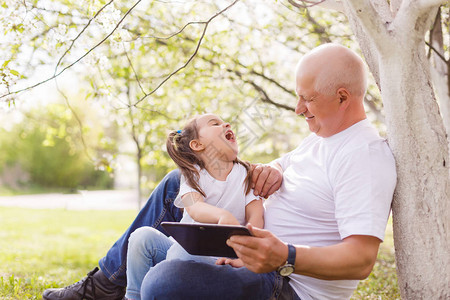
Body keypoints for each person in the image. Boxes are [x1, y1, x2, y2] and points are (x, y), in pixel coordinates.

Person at [42, 43, 397, 300]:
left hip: (286, 283)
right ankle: (105, 284)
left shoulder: (362, 156)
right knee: (174, 185)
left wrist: (286, 256)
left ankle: (126, 285)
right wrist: (271, 169)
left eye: (307, 99)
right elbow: (281, 168)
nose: (297, 108)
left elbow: (360, 260)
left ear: (342, 96)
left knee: (163, 282)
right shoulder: (320, 139)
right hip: (244, 255)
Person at [124, 113, 264, 300]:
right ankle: (134, 297)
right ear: (197, 144)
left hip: (219, 255)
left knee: (182, 251)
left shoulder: (246, 173)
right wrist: (221, 215)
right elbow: (194, 207)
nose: (226, 124)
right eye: (215, 123)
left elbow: (256, 216)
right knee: (141, 237)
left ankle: (170, 289)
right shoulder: (192, 175)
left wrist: (246, 255)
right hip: (182, 248)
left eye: (224, 122)